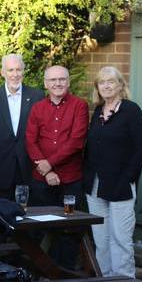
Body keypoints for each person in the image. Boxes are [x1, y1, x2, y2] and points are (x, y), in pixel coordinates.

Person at [84, 66, 142, 278]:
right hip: (95, 186)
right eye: (102, 82)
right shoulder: (98, 113)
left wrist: (128, 178)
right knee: (101, 239)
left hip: (120, 185)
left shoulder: (131, 111)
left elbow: (141, 150)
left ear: (120, 85)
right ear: (97, 88)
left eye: (111, 81)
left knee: (121, 239)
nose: (106, 86)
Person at [25, 65, 88, 268]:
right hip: (42, 179)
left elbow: (77, 141)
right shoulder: (37, 108)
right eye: (53, 80)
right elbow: (30, 141)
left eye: (62, 79)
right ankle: (41, 269)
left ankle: (65, 273)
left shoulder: (79, 106)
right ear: (46, 84)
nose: (58, 83)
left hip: (70, 179)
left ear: (68, 81)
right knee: (38, 225)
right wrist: (48, 170)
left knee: (69, 227)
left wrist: (50, 164)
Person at [0, 54, 44, 200]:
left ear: (23, 71)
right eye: (10, 70)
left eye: (18, 70)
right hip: (0, 170)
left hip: (29, 168)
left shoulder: (37, 96)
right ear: (3, 72)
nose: (15, 74)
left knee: (30, 217)